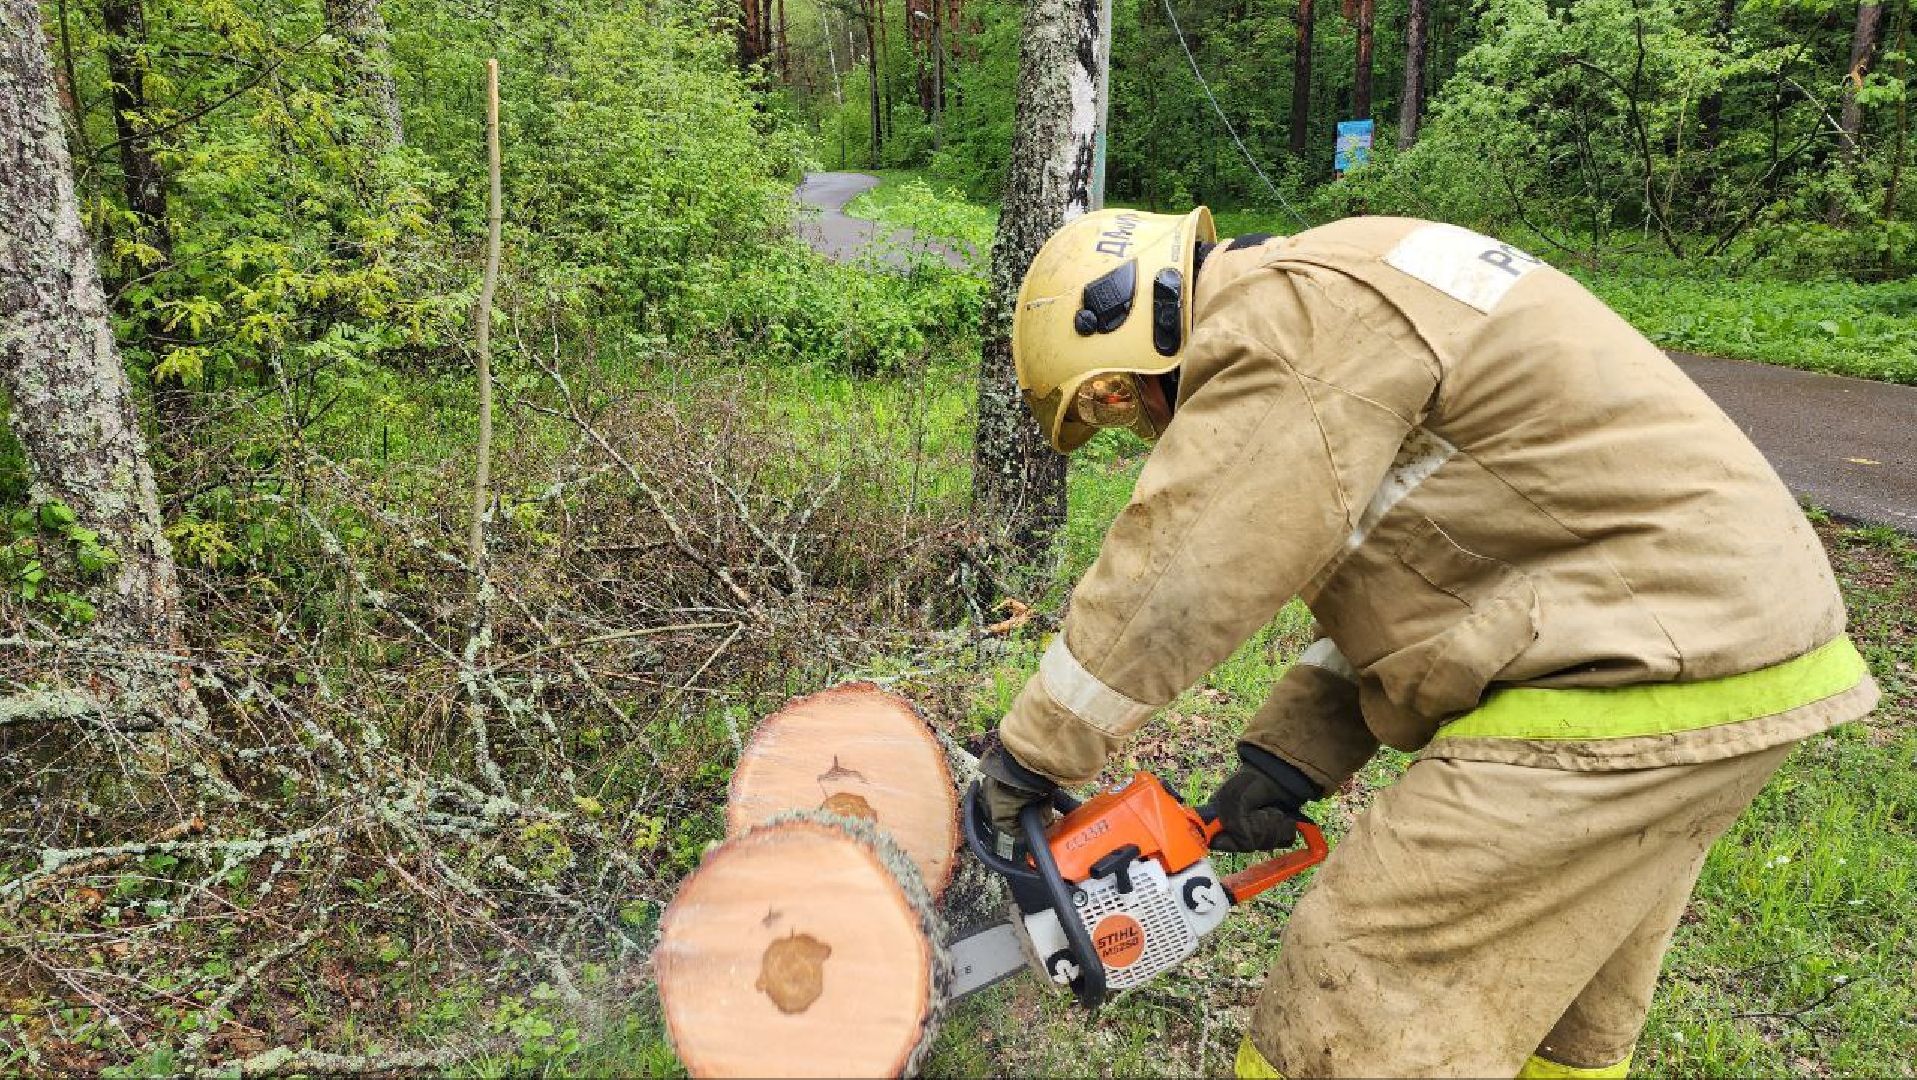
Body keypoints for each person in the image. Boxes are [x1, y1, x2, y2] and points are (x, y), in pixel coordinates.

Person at [974, 208, 1879, 1079]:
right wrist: (1285, 762)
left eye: (1118, 400)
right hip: (1725, 645)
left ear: (1137, 314)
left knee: (1364, 982)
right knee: (1559, 999)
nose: (1142, 426)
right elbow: (1426, 587)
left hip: (1627, 664)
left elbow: (1185, 565)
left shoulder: (1289, 318)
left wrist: (1031, 754)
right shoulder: (1351, 285)